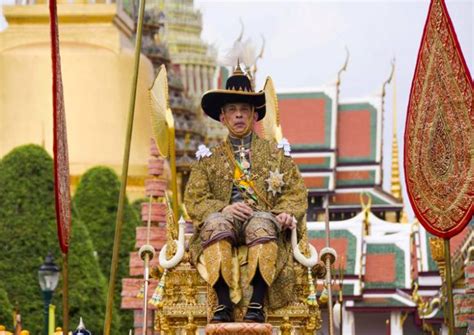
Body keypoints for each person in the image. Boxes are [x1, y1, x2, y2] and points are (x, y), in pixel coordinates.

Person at [184, 64, 307, 323]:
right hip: (224, 224)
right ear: (223, 117)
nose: (238, 115)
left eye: (244, 110)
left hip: (263, 221)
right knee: (215, 222)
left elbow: (296, 192)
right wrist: (222, 208)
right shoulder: (209, 160)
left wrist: (284, 213)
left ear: (254, 115)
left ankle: (257, 304)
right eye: (232, 110)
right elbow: (193, 200)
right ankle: (223, 304)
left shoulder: (276, 155)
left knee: (261, 223)